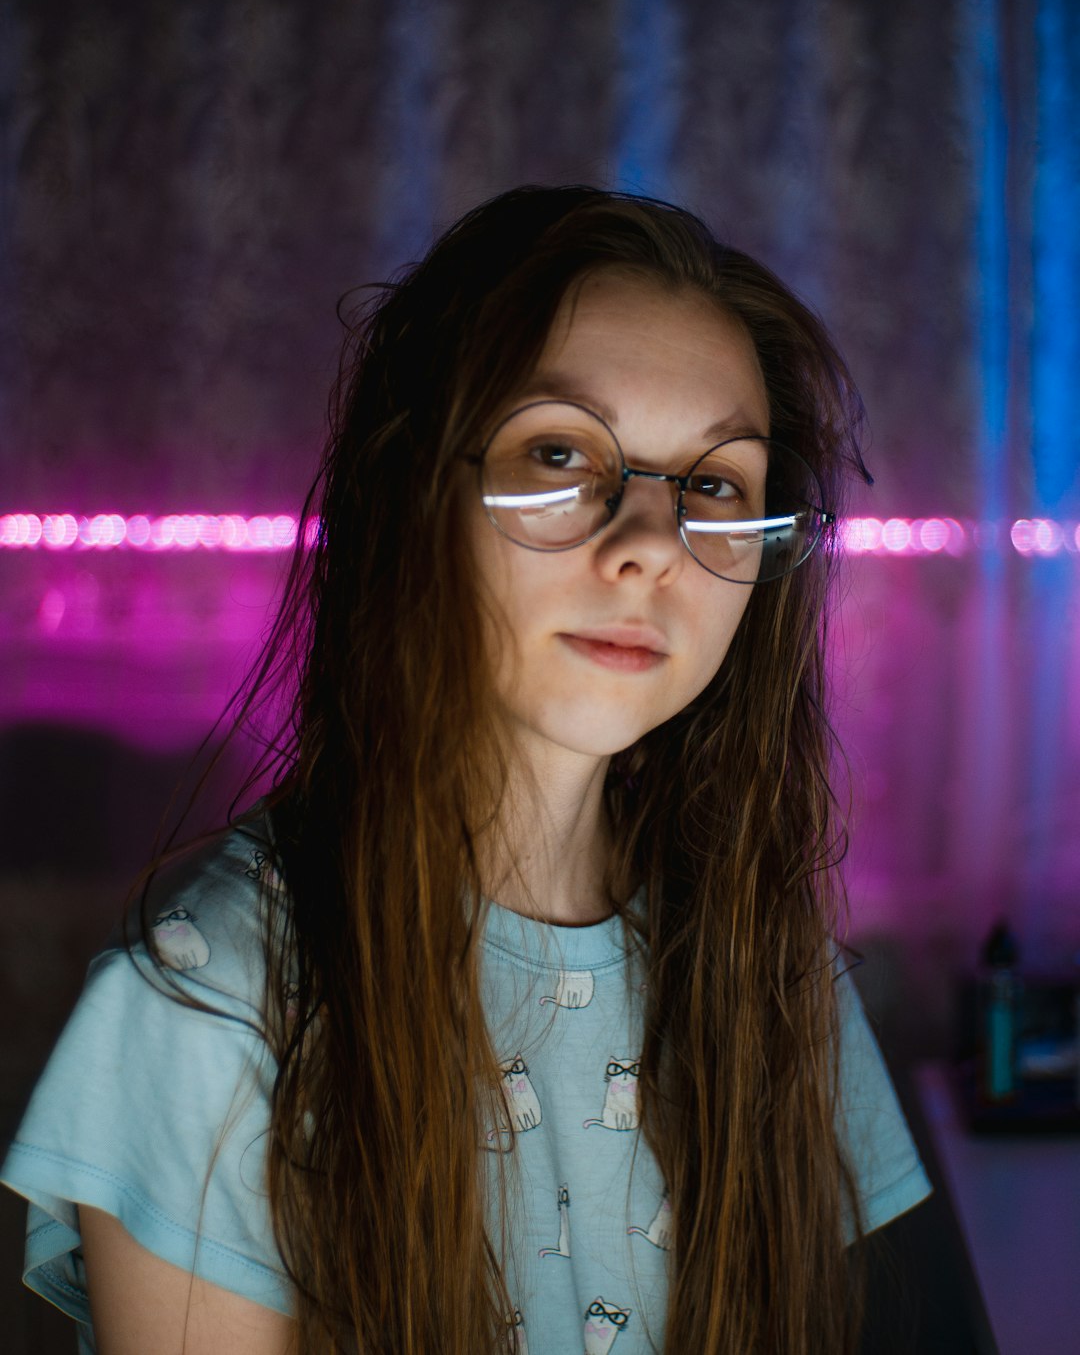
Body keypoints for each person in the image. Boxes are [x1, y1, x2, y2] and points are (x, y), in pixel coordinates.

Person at [1, 185, 931, 1354]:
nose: (648, 544)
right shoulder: (202, 1010)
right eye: (561, 454)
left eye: (712, 484)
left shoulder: (778, 971)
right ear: (414, 499)